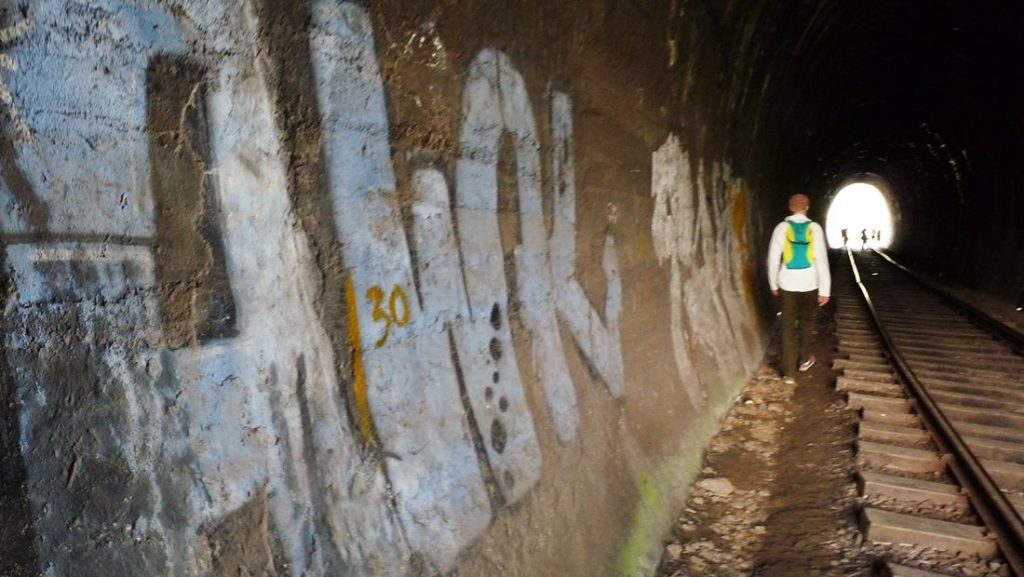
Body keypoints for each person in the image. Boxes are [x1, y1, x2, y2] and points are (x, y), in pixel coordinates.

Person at [767, 194, 831, 384]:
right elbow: (821, 259)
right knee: (806, 322)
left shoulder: (781, 228)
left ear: (790, 207)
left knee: (787, 325)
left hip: (787, 283)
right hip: (810, 283)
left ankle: (788, 374)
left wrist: (773, 283)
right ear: (807, 207)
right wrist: (825, 289)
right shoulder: (814, 228)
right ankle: (803, 360)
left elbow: (772, 258)